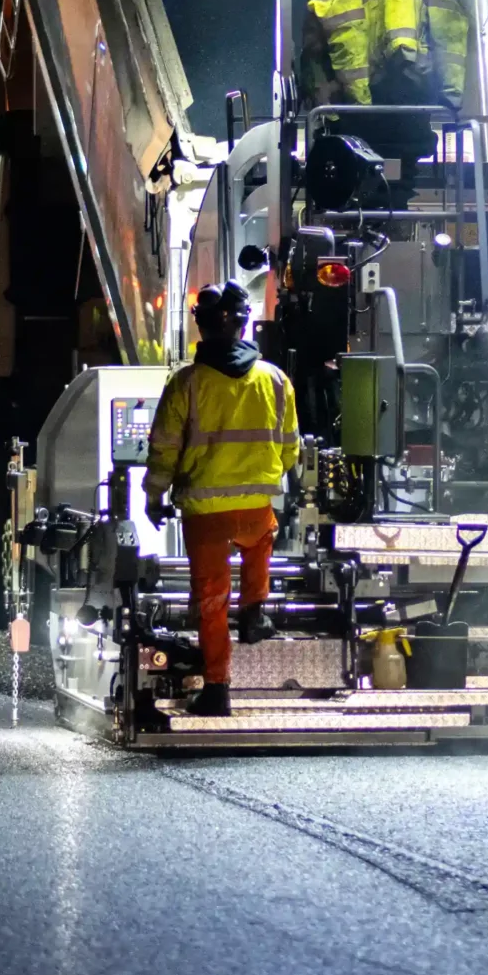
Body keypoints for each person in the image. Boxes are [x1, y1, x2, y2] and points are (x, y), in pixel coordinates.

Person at [142, 282, 301, 718]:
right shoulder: (274, 379)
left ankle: (217, 689)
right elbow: (291, 450)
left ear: (202, 326)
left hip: (206, 515)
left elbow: (165, 450)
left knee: (211, 601)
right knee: (258, 549)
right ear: (244, 323)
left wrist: (154, 497)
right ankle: (254, 609)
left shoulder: (186, 384)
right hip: (257, 509)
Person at [304, 0, 468, 167]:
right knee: (402, 169)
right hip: (411, 105)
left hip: (365, 114)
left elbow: (348, 44)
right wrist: (450, 98)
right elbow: (451, 28)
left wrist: (359, 105)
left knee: (364, 174)